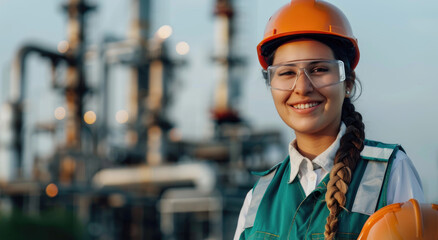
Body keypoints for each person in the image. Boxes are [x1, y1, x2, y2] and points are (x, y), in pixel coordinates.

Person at [234, 0, 425, 239]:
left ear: (348, 81)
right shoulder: (258, 197)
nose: (302, 88)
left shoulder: (390, 172)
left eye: (319, 70)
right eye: (286, 73)